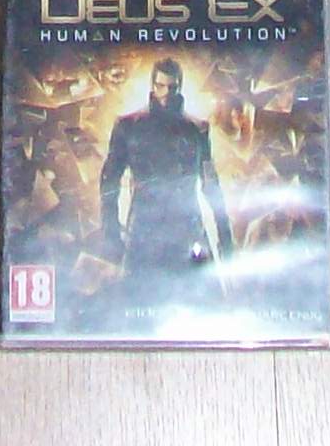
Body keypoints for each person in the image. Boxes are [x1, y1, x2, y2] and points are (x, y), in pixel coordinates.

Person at [96, 58, 233, 314]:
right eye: (161, 86)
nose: (166, 94)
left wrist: (225, 238)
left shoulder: (197, 129)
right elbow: (109, 182)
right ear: (153, 85)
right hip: (143, 232)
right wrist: (111, 233)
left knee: (203, 313)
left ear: (179, 87)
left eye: (171, 87)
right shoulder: (128, 126)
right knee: (137, 311)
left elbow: (210, 184)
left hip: (188, 230)